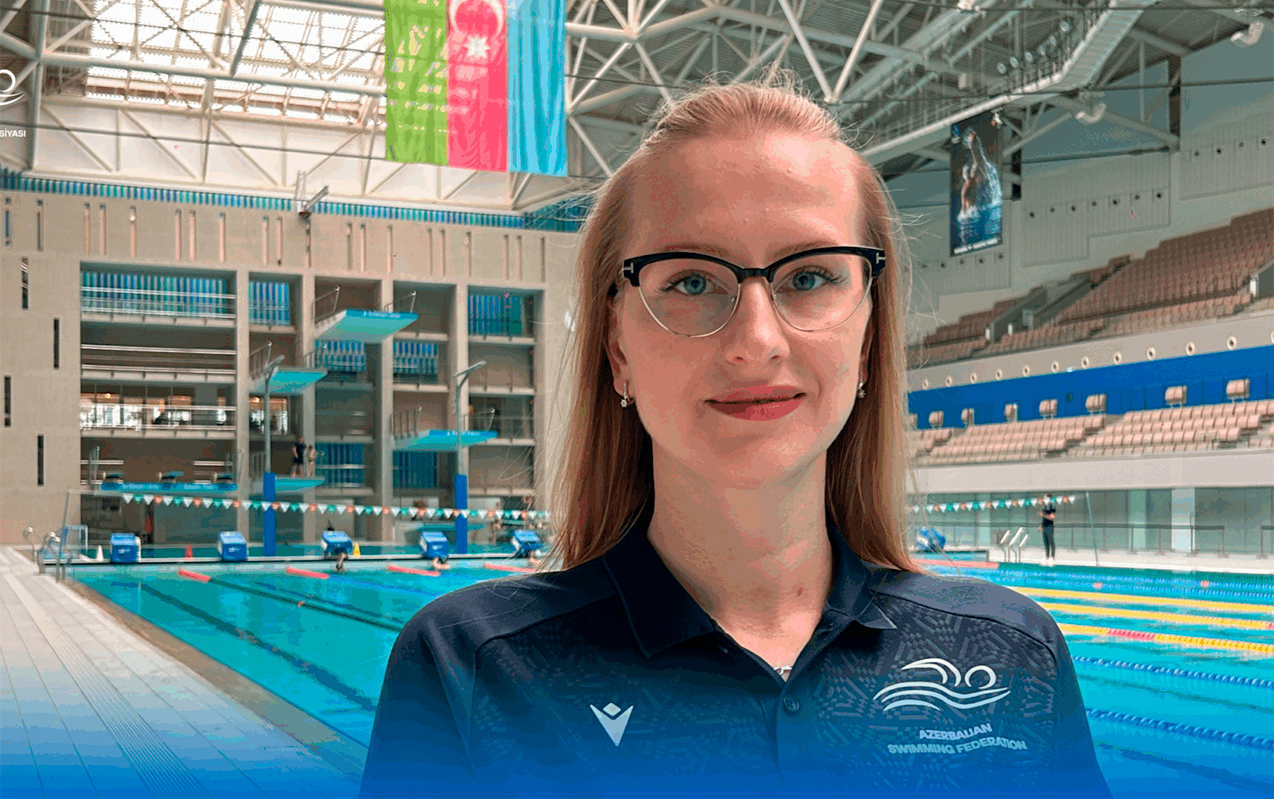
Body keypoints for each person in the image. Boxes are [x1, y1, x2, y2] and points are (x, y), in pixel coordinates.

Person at [361, 74, 1109, 799]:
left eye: (810, 277)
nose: (757, 342)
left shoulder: (1013, 656)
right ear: (618, 347)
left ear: (869, 337)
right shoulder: (472, 669)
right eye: (691, 282)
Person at [1039, 492, 1058, 565]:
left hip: (1049, 526)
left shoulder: (1052, 506)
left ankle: (1052, 556)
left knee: (1051, 541)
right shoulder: (1044, 506)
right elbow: (1043, 518)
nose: (1044, 499)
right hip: (1044, 526)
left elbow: (1052, 517)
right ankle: (1046, 556)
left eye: (1046, 498)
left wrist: (1044, 515)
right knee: (1045, 542)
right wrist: (1041, 525)